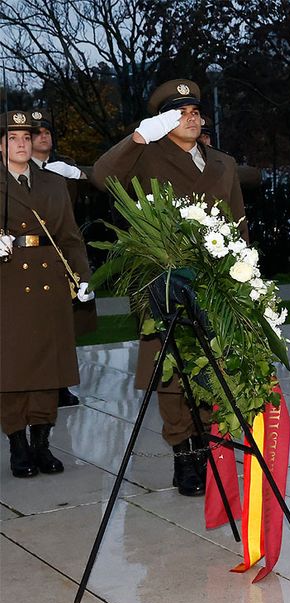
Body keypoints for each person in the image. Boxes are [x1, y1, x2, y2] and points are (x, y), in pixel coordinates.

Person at [91, 79, 248, 497]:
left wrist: (247, 276)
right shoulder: (146, 157)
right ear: (164, 120)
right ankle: (185, 454)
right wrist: (140, 135)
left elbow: (238, 223)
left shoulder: (222, 162)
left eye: (195, 111)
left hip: (217, 281)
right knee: (173, 369)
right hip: (164, 280)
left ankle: (207, 447)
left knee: (211, 365)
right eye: (180, 112)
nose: (192, 117)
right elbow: (102, 176)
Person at [1, 110, 94, 478]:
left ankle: (41, 442)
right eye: (13, 138)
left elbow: (70, 237)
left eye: (27, 137)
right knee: (10, 370)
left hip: (50, 284)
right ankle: (17, 445)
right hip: (8, 286)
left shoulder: (53, 183)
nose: (22, 144)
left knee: (46, 368)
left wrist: (82, 276)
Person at [29, 108, 97, 407]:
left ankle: (59, 384)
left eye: (47, 132)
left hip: (62, 251)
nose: (44, 136)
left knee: (63, 325)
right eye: (37, 133)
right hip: (29, 254)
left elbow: (96, 189)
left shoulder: (64, 167)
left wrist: (77, 175)